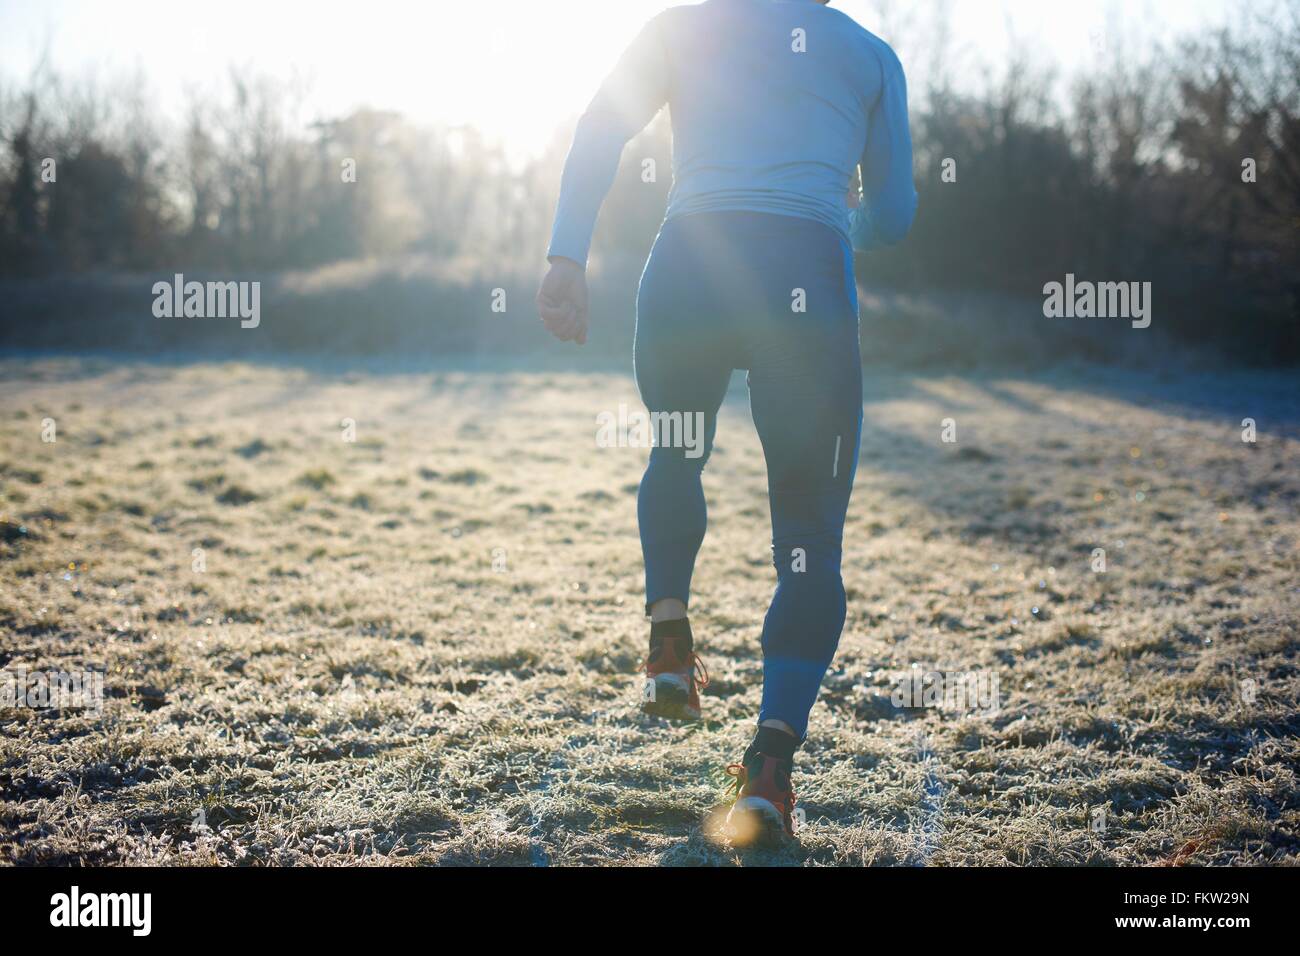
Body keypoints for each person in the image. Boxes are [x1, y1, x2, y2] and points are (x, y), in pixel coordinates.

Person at [536, 0, 916, 844]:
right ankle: (770, 771)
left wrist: (567, 254)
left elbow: (602, 126)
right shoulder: (869, 54)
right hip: (807, 281)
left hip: (688, 272)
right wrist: (832, 211)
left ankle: (668, 639)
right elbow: (893, 217)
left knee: (675, 456)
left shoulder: (682, 26)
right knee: (810, 533)